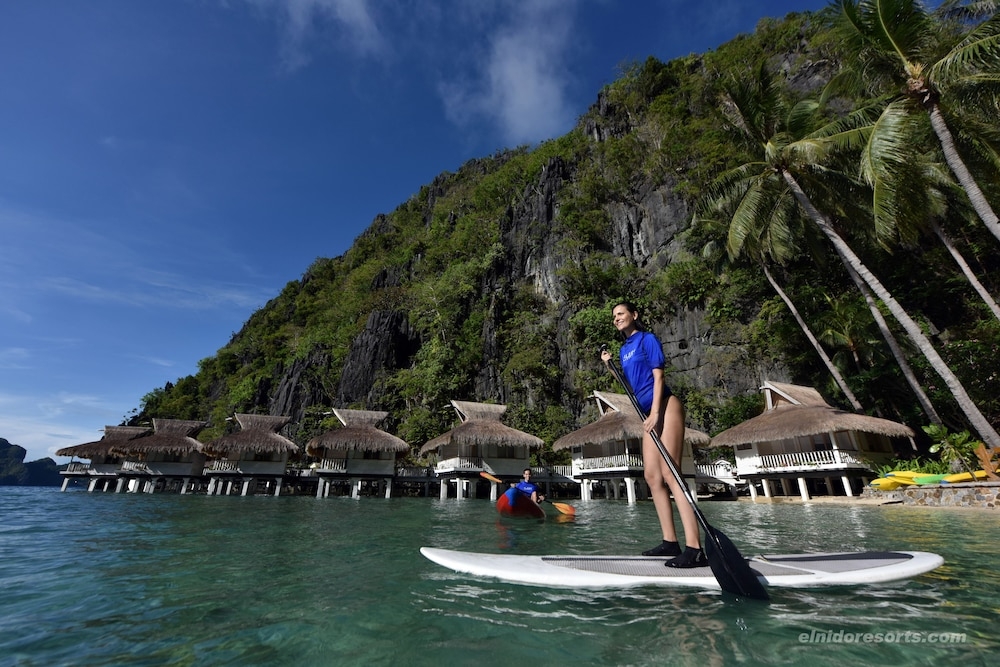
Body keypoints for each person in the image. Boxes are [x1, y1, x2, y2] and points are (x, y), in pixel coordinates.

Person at [600, 301, 706, 568]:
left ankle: (695, 548)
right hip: (648, 413)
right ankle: (670, 541)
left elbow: (658, 377)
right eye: (614, 316)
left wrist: (657, 413)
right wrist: (609, 365)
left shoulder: (647, 339)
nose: (617, 318)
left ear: (634, 315)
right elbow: (631, 381)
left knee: (671, 473)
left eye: (621, 314)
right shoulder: (624, 349)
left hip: (665, 407)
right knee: (651, 476)